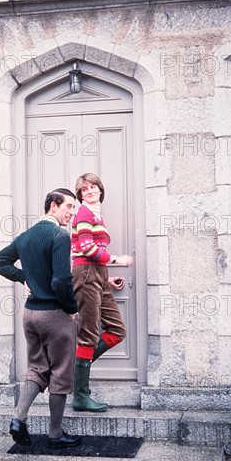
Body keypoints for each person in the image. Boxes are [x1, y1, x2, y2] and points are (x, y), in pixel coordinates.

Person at [0, 188, 81, 448]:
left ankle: (19, 419)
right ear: (53, 206)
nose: (72, 213)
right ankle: (55, 434)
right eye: (69, 207)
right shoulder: (59, 236)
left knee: (36, 368)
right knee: (61, 373)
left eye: (74, 208)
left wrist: (23, 278)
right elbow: (61, 280)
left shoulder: (25, 236)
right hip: (55, 314)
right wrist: (72, 308)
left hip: (30, 315)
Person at [70, 173, 132, 412]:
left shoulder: (95, 215)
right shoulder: (84, 213)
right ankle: (80, 395)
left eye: (93, 187)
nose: (89, 191)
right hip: (87, 273)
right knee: (88, 334)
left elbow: (94, 254)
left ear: (100, 190)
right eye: (84, 189)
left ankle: (77, 370)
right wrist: (118, 259)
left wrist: (107, 277)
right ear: (80, 195)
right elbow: (87, 249)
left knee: (117, 330)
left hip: (96, 274)